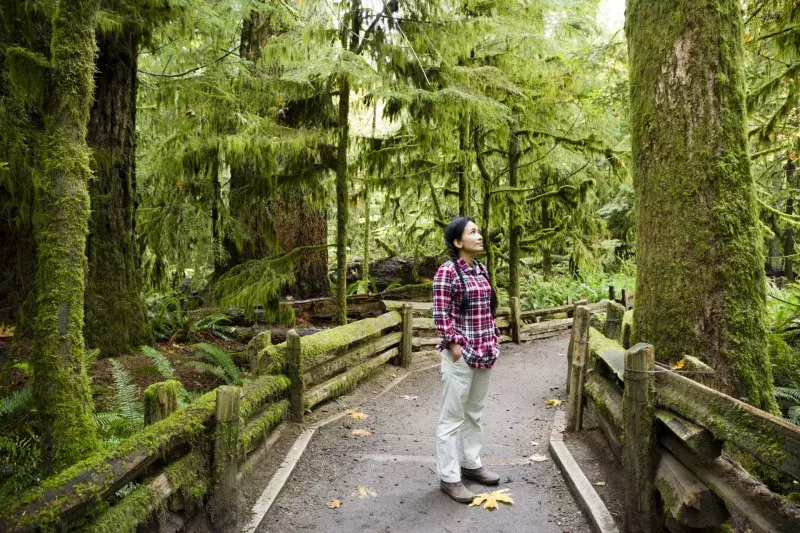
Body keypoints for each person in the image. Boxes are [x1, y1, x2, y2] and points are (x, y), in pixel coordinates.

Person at [433, 216, 500, 503]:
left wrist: (494, 337)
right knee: (452, 418)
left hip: (485, 351)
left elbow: (487, 308)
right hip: (460, 353)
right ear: (458, 242)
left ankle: (471, 464)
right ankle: (449, 478)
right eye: (472, 232)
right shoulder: (447, 272)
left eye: (478, 231)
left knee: (475, 413)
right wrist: (454, 345)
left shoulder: (481, 269)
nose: (479, 235)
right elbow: (440, 313)